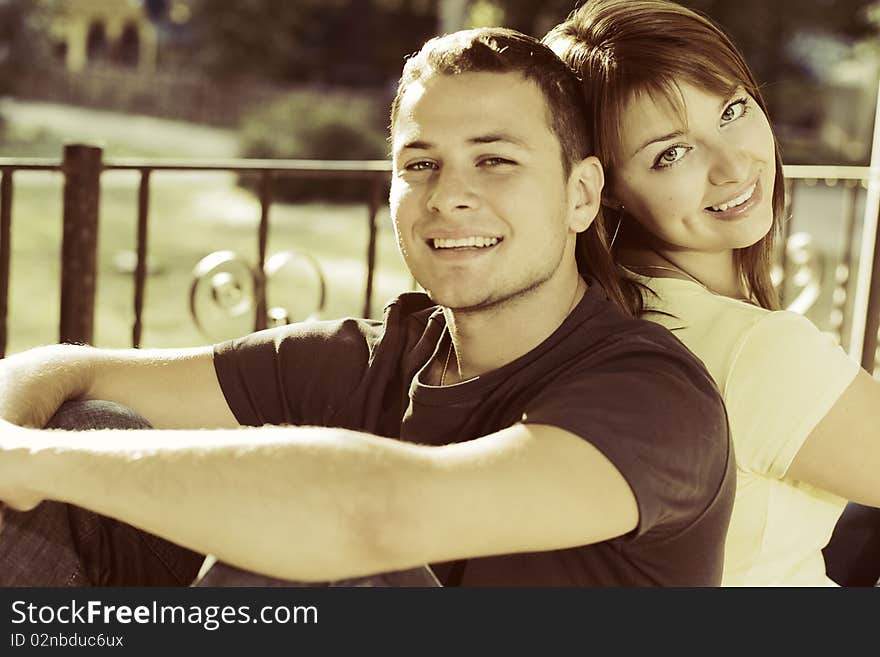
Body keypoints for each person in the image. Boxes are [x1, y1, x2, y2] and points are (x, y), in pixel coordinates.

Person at [0, 27, 734, 587]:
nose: (448, 194)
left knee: (316, 559)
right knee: (92, 428)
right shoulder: (381, 356)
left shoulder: (654, 396)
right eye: (421, 164)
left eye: (495, 159)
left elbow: (374, 517)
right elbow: (68, 370)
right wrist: (18, 447)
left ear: (580, 194)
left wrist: (38, 460)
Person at [544, 0, 880, 586]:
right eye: (671, 153)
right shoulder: (759, 352)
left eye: (731, 110)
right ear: (606, 187)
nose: (732, 166)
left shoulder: (602, 311)